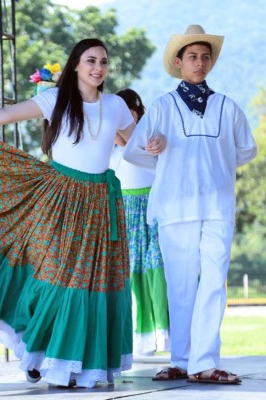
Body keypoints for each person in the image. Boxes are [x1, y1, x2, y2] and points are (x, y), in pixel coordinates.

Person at [0, 38, 135, 388]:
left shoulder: (116, 105)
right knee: (59, 280)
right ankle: (41, 354)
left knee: (93, 281)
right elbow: (4, 115)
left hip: (99, 203)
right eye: (91, 60)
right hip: (60, 197)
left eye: (104, 62)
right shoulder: (56, 99)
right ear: (75, 64)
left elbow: (132, 142)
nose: (98, 68)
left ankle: (78, 364)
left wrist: (155, 143)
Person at [123, 24, 257, 384]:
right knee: (179, 286)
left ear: (210, 63)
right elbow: (135, 150)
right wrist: (162, 156)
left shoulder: (227, 107)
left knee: (213, 282)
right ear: (178, 62)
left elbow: (246, 150)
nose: (199, 63)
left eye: (205, 57)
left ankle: (205, 362)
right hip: (174, 207)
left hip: (218, 207)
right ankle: (181, 360)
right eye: (192, 57)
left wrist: (213, 164)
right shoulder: (163, 107)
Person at [110, 89, 170, 357]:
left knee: (158, 266)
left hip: (154, 211)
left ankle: (166, 334)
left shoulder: (151, 147)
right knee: (132, 272)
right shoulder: (109, 153)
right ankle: (142, 339)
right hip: (126, 216)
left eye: (128, 118)